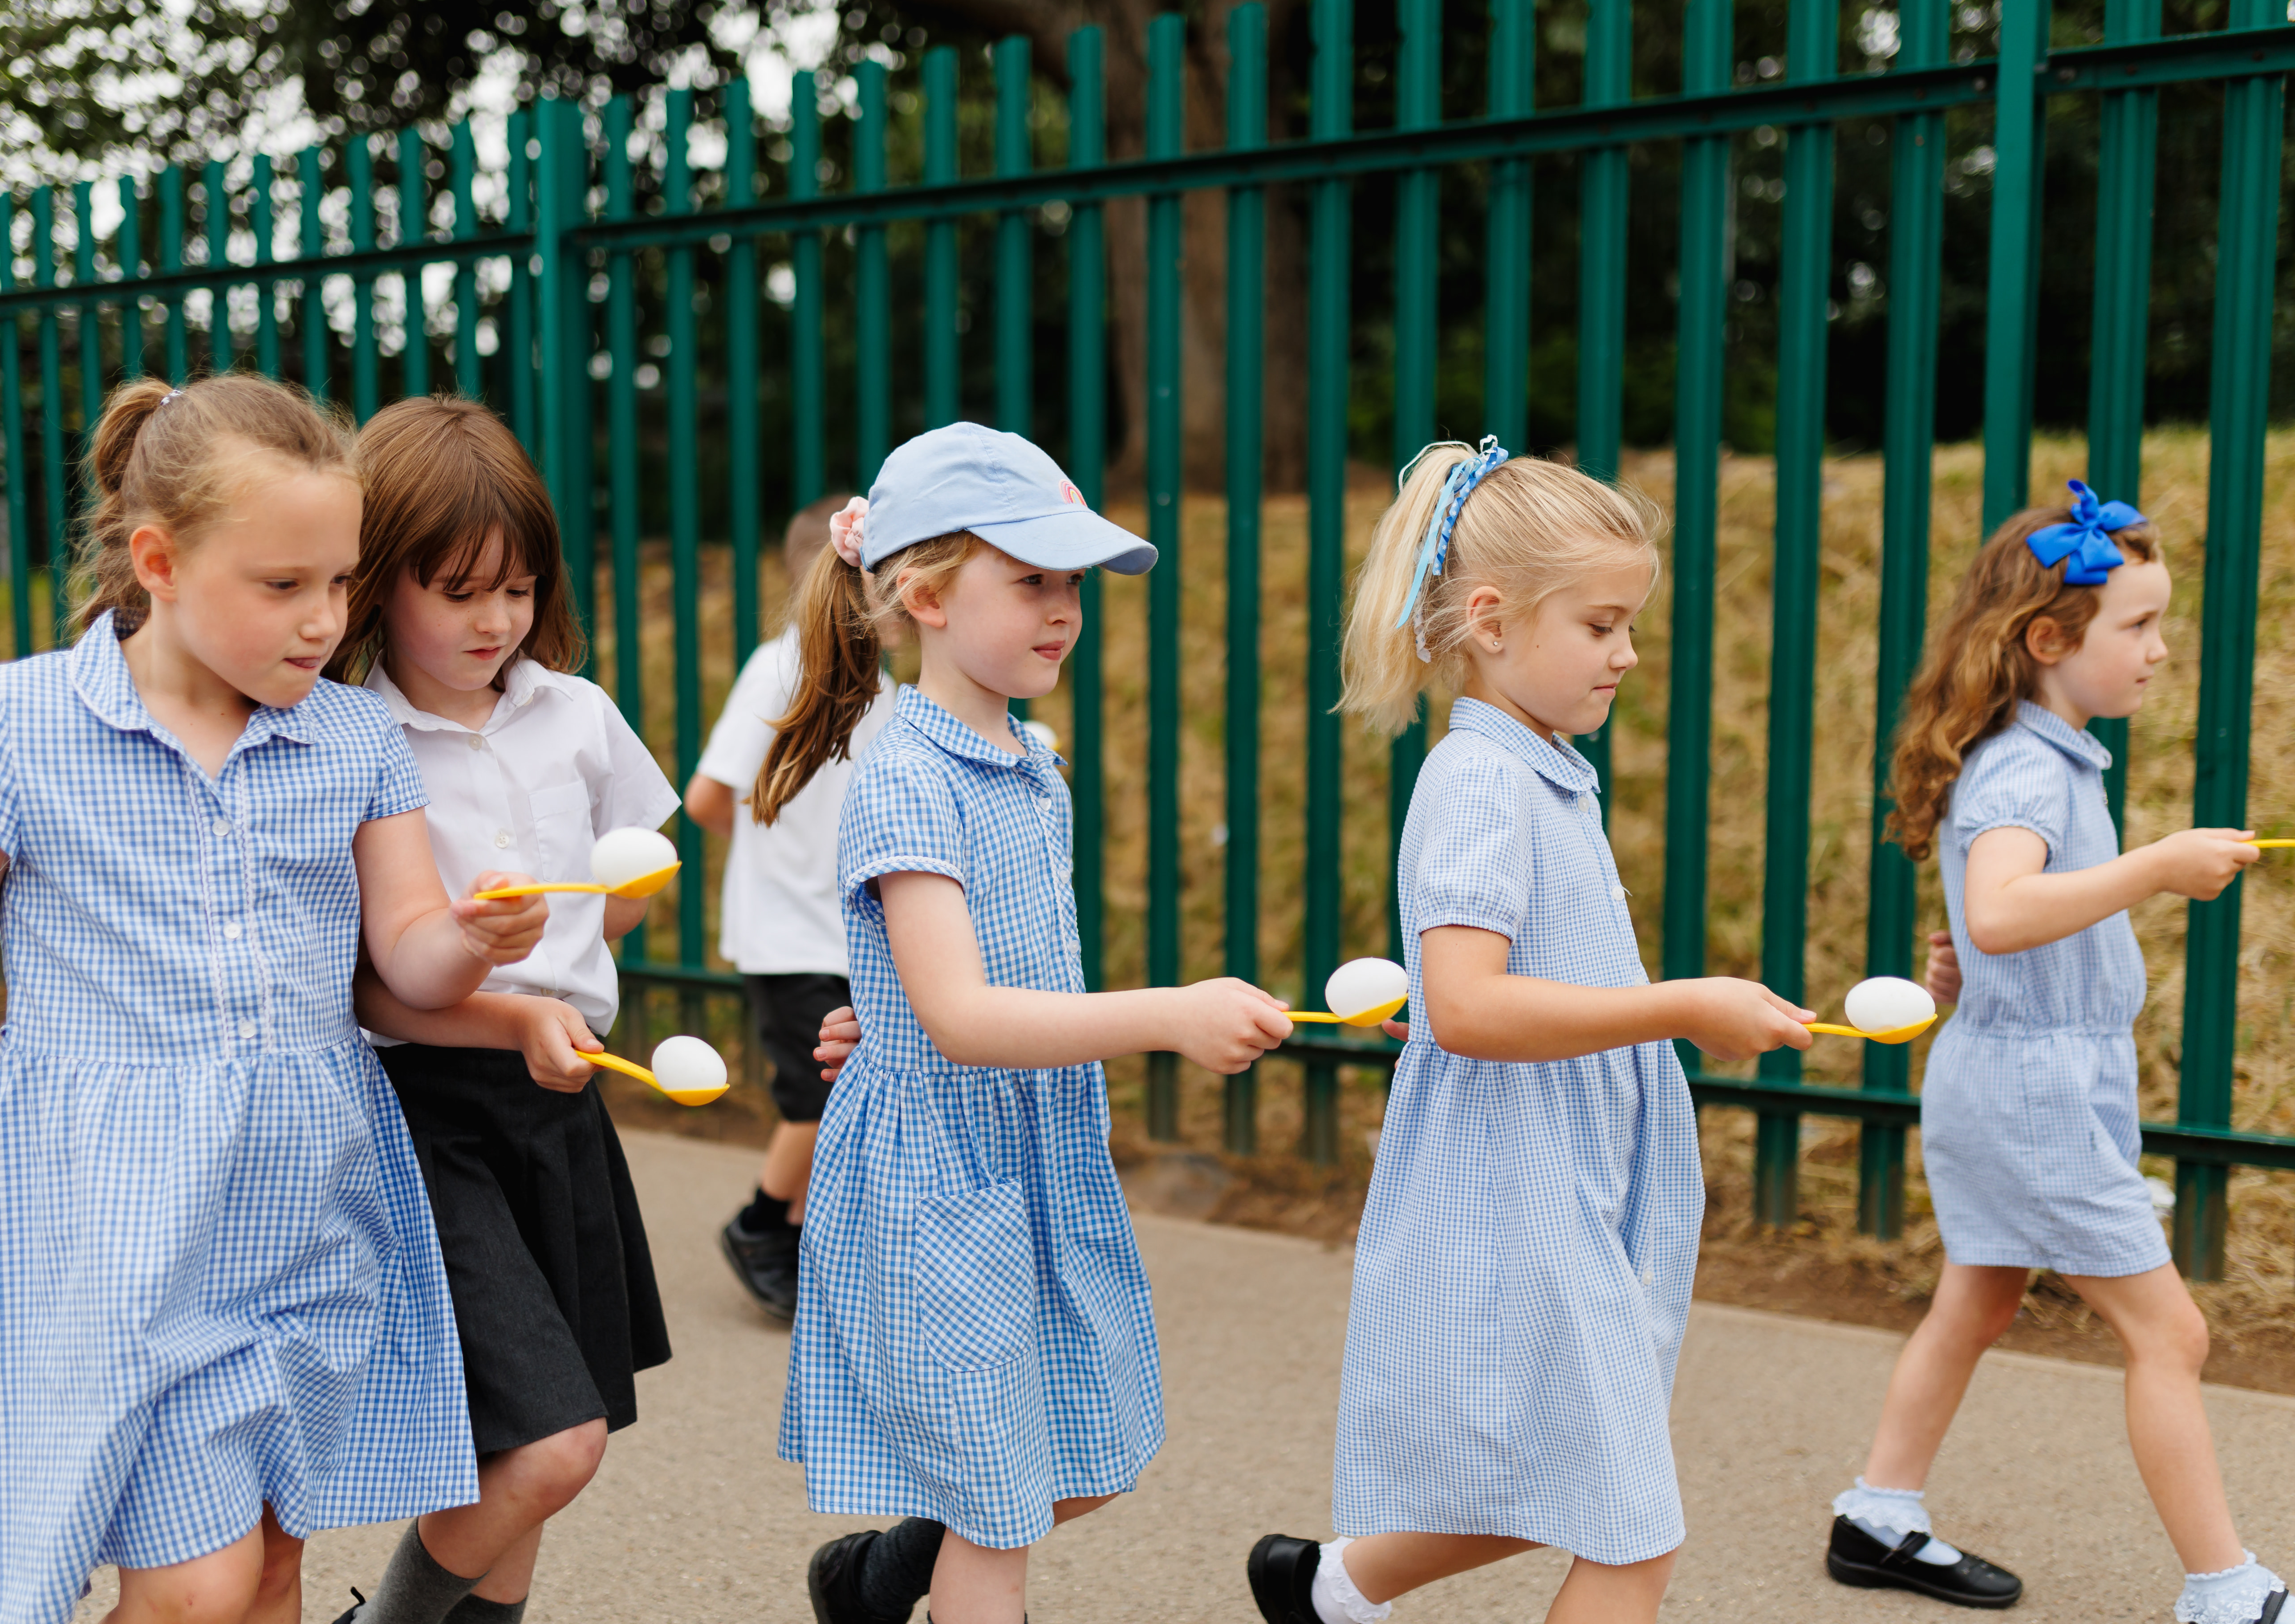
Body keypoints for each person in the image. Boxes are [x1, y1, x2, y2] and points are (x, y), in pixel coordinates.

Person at [0, 374, 548, 1624]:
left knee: (271, 1569)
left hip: (308, 1213)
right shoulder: (7, 724)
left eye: (340, 581)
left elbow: (408, 955)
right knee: (198, 1588)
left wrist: (471, 939)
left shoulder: (351, 740)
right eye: (283, 585)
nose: (325, 620)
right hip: (106, 1230)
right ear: (160, 563)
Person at [1247, 438, 1817, 1624]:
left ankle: (1327, 1589)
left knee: (1561, 1472)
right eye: (1602, 626)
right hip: (1519, 1192)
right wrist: (1682, 1005)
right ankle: (1331, 1587)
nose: (1628, 654)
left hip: (1563, 1181)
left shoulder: (1541, 769)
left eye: (1630, 626)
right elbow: (1466, 1005)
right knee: (1631, 1534)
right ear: (1494, 623)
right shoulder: (1481, 782)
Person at [766, 423, 1293, 1624]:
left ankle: (877, 1578)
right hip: (942, 1178)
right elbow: (961, 1015)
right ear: (927, 597)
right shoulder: (908, 775)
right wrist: (1169, 1014)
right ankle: (919, 1572)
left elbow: (959, 978)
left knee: (1078, 1450)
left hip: (1036, 1151)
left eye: (1073, 585)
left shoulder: (1030, 756)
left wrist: (892, 1015)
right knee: (999, 1512)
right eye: (1032, 581)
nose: (1064, 611)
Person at [1826, 482, 2282, 1624]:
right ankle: (2226, 1592)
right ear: (2048, 640)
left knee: (1977, 1300)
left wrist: (1971, 967)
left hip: (2018, 1073)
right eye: (2139, 625)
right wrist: (2158, 866)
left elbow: (1991, 926)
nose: (2160, 650)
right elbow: (2001, 912)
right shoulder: (2030, 769)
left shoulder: (2044, 754)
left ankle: (1876, 1516)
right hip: (2035, 1091)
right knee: (2171, 1331)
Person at [321, 396, 678, 1624]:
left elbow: (629, 880)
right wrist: (501, 995)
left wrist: (576, 954)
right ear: (377, 580)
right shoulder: (352, 736)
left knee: (528, 1465)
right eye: (460, 591)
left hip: (561, 1104)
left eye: (518, 589)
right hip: (430, 1114)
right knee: (551, 1444)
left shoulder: (577, 712)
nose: (496, 621)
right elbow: (363, 986)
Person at [687, 493, 897, 1321]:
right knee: (821, 1096)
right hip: (786, 932)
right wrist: (770, 853)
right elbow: (708, 797)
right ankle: (762, 1225)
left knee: (848, 1090)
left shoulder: (882, 690)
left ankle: (810, 1235)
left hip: (848, 934)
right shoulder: (779, 669)